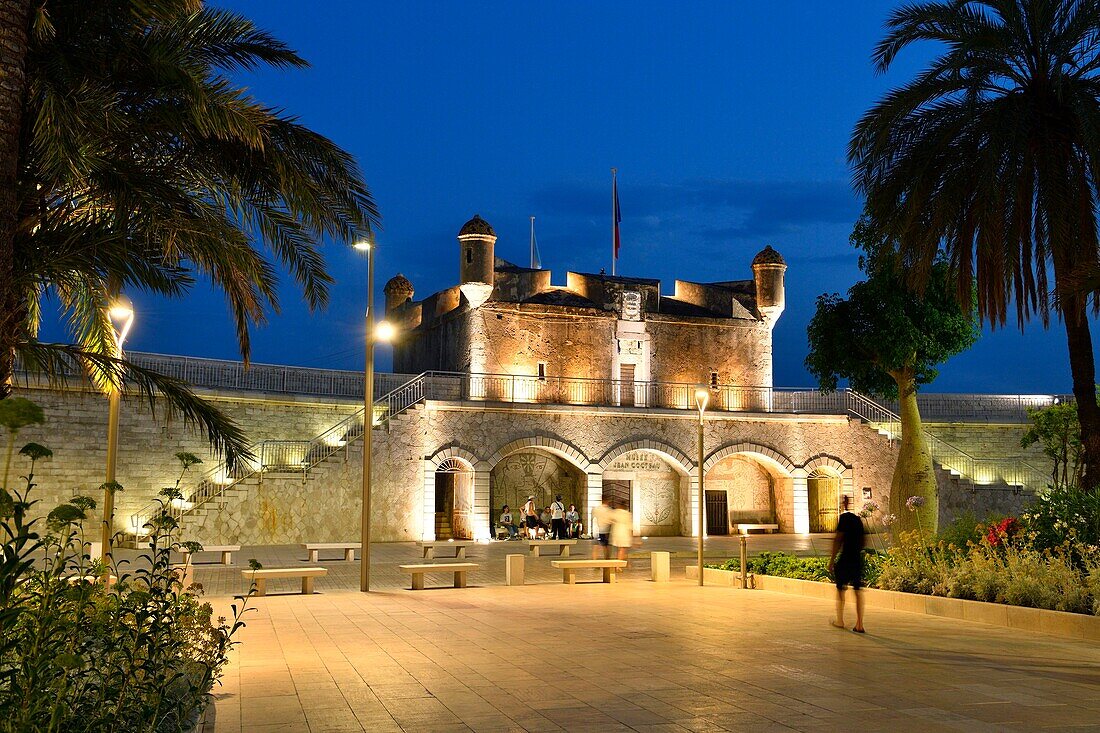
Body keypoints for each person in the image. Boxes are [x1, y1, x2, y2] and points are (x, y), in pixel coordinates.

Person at [828, 495, 867, 633]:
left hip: (846, 558)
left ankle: (840, 620)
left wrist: (832, 560)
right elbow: (863, 541)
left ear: (844, 503)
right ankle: (860, 623)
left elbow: (838, 540)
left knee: (840, 589)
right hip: (856, 558)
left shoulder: (844, 519)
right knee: (857, 590)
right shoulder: (858, 520)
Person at [610, 499, 633, 563]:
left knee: (620, 549)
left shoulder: (615, 512)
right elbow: (630, 526)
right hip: (624, 532)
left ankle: (622, 562)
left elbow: (610, 520)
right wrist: (631, 536)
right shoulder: (627, 514)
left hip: (617, 531)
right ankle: (619, 565)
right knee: (622, 549)